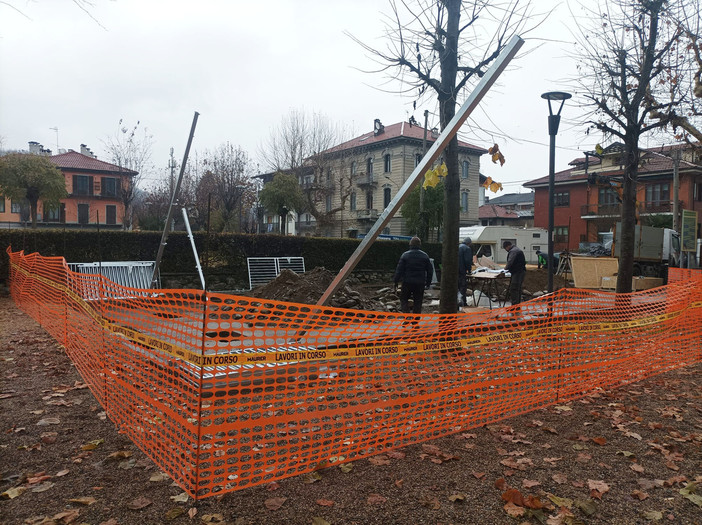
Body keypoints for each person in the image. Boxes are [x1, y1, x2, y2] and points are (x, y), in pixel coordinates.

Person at [393, 236, 434, 314]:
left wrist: (396, 281)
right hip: (420, 282)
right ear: (420, 245)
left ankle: (407, 315)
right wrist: (428, 283)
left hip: (407, 282)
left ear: (410, 244)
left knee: (403, 299)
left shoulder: (405, 255)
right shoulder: (425, 256)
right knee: (418, 301)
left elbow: (399, 270)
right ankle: (415, 321)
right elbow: (430, 271)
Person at [502, 240, 526, 306]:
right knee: (518, 289)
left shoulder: (513, 251)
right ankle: (517, 305)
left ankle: (514, 306)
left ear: (508, 246)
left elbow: (510, 262)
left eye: (505, 248)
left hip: (517, 272)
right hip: (520, 271)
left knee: (514, 288)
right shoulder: (516, 250)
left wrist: (504, 270)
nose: (506, 250)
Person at [458, 237, 473, 307]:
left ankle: (457, 303)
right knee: (463, 287)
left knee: (457, 287)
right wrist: (469, 270)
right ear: (469, 243)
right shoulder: (467, 249)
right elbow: (468, 261)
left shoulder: (458, 247)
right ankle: (463, 303)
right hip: (462, 271)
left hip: (455, 271)